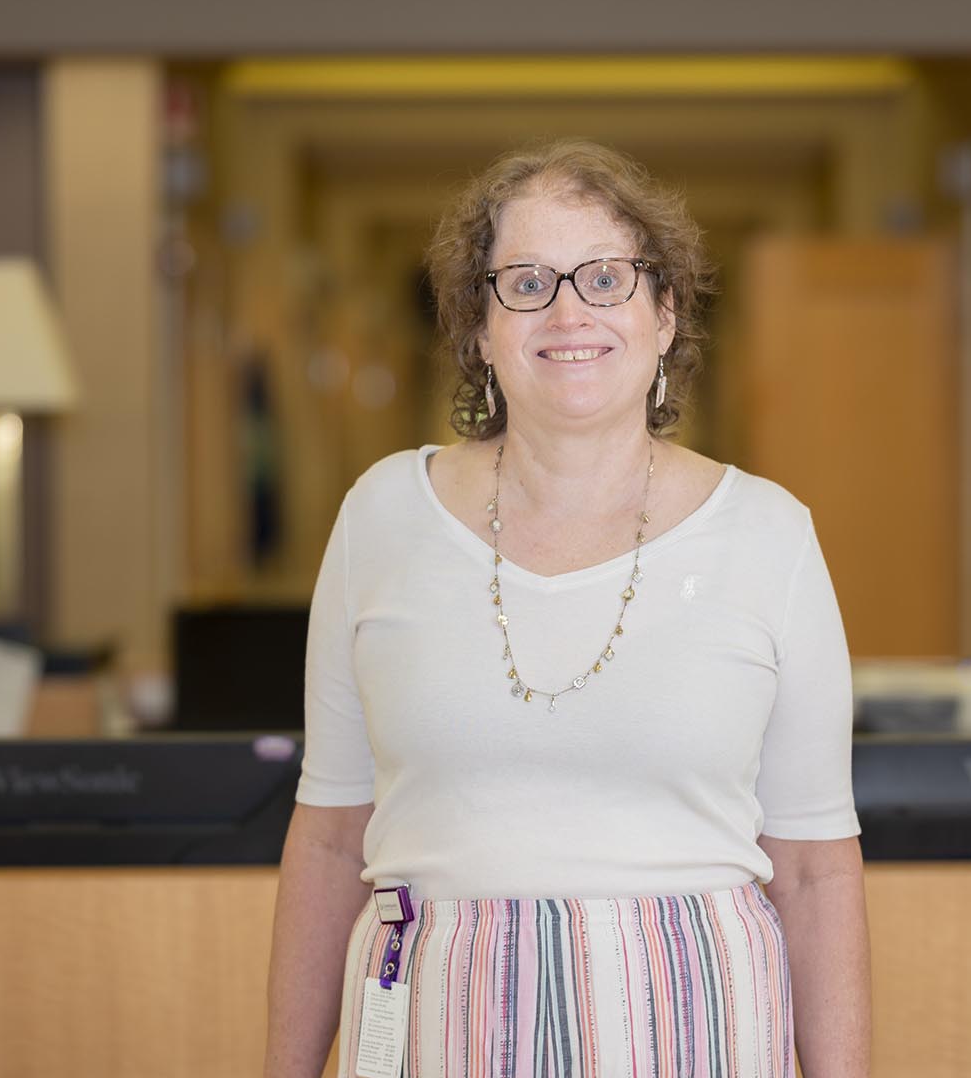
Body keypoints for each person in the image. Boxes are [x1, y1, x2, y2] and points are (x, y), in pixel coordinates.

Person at [265, 139, 869, 1077]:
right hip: (432, 1028)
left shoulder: (769, 535)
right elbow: (331, 834)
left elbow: (817, 869)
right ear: (478, 327)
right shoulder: (381, 516)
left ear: (664, 314)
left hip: (697, 1026)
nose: (568, 311)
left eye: (605, 277)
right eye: (528, 282)